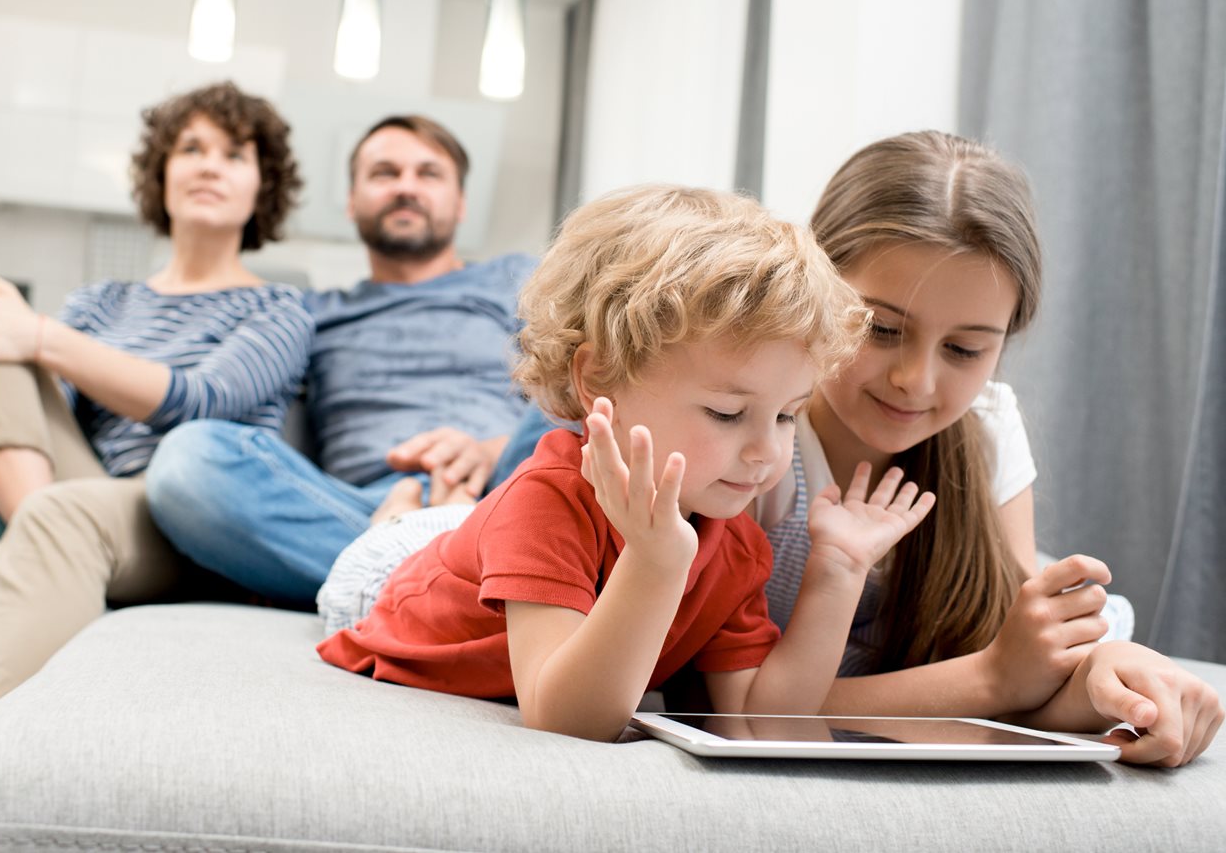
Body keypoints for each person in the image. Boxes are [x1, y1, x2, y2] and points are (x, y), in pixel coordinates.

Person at [321, 131, 1223, 766]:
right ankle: (396, 502)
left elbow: (771, 713)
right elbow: (578, 709)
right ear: (827, 305)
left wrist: (1115, 676)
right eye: (881, 328)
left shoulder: (740, 499)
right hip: (416, 572)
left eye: (965, 349)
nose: (916, 382)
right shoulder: (709, 467)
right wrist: (658, 555)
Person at [318, 184, 940, 742]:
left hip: (485, 554)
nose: (766, 452)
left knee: (465, 525)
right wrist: (656, 561)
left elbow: (761, 720)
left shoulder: (737, 544)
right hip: (378, 589)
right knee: (407, 540)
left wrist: (839, 571)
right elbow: (567, 719)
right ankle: (399, 518)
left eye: (786, 415)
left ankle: (446, 514)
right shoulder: (549, 502)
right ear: (597, 381)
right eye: (727, 413)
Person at [0, 81, 315, 743]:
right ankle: (45, 536)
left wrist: (36, 336)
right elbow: (39, 402)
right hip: (75, 487)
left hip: (178, 514)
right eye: (190, 148)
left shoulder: (279, 309)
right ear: (160, 174)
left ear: (263, 186)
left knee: (12, 344)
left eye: (233, 154)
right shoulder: (101, 302)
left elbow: (200, 402)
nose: (207, 164)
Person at [143, 115, 536, 604]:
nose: (406, 187)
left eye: (428, 173)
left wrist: (490, 451)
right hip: (362, 510)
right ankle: (455, 579)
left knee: (599, 370)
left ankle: (397, 577)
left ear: (460, 204)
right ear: (352, 202)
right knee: (187, 462)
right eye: (384, 173)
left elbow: (576, 398)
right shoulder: (307, 313)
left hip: (509, 489)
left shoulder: (518, 278)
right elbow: (210, 381)